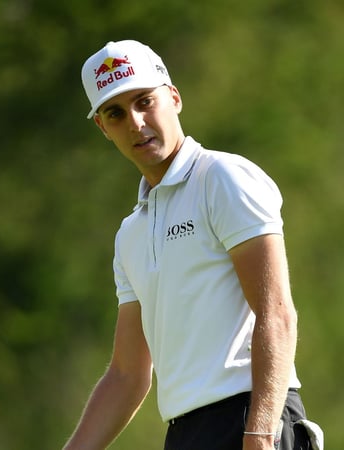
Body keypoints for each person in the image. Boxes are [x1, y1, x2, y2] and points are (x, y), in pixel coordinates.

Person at [62, 40, 323, 450]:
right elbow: (128, 375)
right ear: (103, 128)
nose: (135, 121)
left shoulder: (223, 178)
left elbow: (276, 313)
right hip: (185, 433)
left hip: (252, 419)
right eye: (116, 113)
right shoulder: (131, 232)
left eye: (145, 101)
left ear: (173, 98)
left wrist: (259, 434)